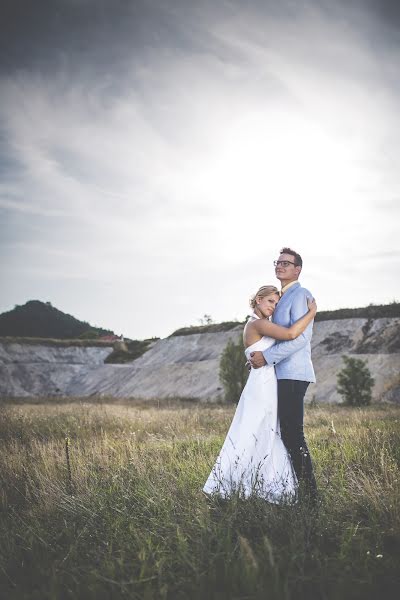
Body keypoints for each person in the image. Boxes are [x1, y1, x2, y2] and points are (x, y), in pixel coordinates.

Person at [203, 285, 317, 503]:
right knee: (255, 432)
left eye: (276, 303)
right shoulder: (257, 323)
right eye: (270, 302)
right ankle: (231, 486)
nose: (273, 307)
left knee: (268, 433)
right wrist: (311, 313)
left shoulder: (259, 323)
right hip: (263, 385)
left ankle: (264, 487)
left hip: (266, 381)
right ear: (258, 300)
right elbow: (291, 334)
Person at [249, 248, 318, 502]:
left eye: (286, 263)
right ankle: (290, 489)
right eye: (278, 262)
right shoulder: (280, 297)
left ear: (297, 269)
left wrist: (267, 357)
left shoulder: (301, 294)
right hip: (279, 374)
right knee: (283, 432)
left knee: (292, 433)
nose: (280, 266)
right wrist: (259, 355)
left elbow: (300, 338)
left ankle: (311, 496)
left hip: (294, 373)